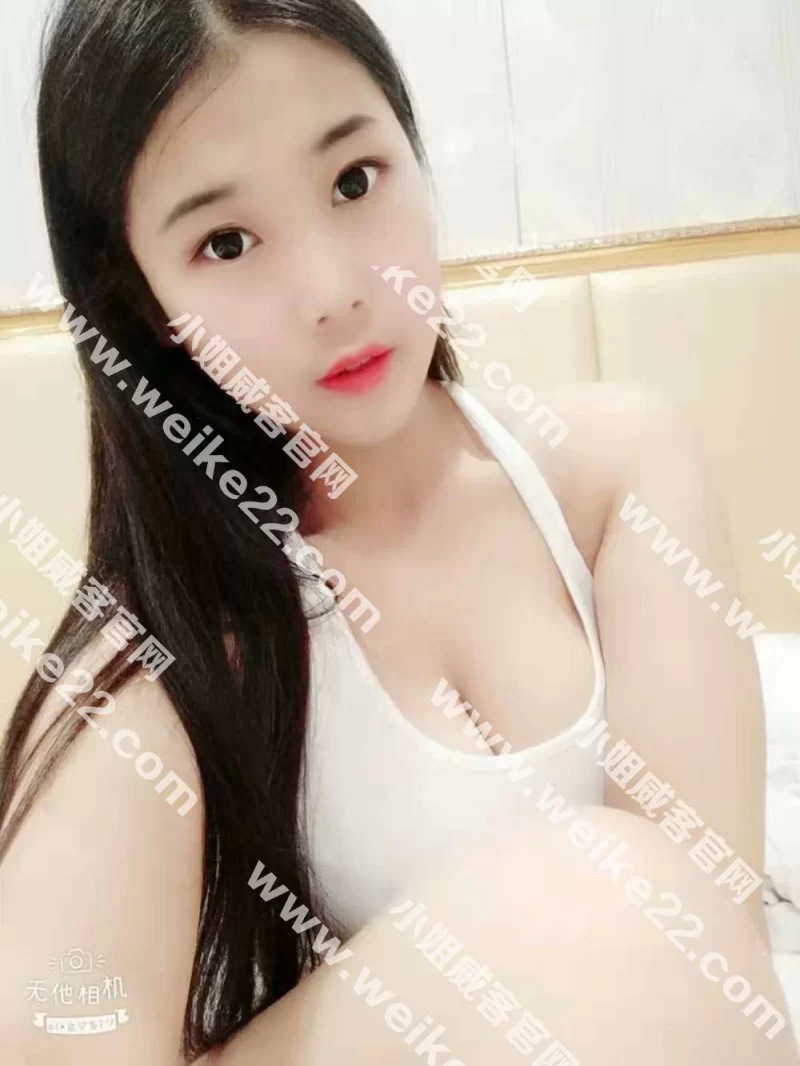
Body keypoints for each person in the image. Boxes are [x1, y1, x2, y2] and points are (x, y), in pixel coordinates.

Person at [0, 1, 797, 1064]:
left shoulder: (613, 476)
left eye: (354, 180)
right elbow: (60, 1029)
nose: (334, 293)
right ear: (146, 308)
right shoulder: (160, 656)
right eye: (226, 242)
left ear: (414, 157)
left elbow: (707, 958)